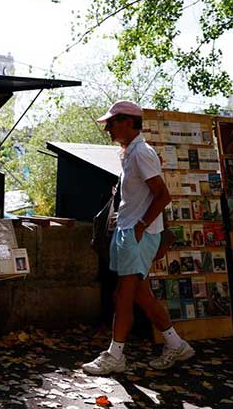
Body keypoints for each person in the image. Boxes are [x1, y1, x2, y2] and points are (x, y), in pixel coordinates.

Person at [82, 101, 195, 375]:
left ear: (127, 122)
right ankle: (176, 344)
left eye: (112, 122)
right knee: (141, 296)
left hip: (136, 234)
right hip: (130, 231)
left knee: (123, 295)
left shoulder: (141, 153)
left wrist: (141, 226)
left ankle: (115, 355)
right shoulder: (130, 153)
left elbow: (163, 195)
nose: (107, 128)